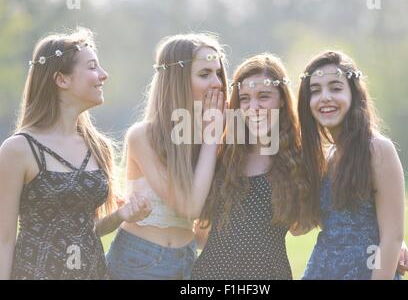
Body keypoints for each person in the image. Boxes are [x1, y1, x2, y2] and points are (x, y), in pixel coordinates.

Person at [0, 27, 150, 280]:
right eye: (92, 67)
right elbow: (3, 240)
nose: (104, 75)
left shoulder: (98, 146)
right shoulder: (19, 149)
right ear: (61, 79)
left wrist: (121, 215)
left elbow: (87, 229)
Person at [105, 33, 228, 279]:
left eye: (219, 73)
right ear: (177, 79)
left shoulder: (211, 134)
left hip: (187, 260)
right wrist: (212, 139)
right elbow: (189, 207)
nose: (217, 83)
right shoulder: (142, 136)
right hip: (140, 261)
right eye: (205, 74)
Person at [191, 53, 308, 280]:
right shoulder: (223, 153)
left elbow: (306, 225)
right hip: (210, 275)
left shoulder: (300, 156)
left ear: (282, 99)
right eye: (244, 99)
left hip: (268, 276)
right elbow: (198, 224)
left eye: (263, 96)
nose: (253, 107)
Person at [296, 50, 408, 279]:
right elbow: (299, 227)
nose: (325, 97)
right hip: (321, 271)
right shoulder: (325, 158)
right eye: (315, 91)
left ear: (354, 94)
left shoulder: (378, 149)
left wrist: (398, 245)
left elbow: (392, 238)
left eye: (335, 88)